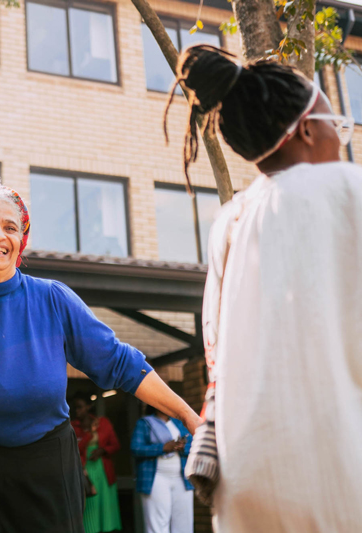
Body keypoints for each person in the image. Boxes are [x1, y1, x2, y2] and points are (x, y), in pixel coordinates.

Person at [0, 184, 199, 532]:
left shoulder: (53, 298)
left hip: (47, 468)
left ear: (20, 241)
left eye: (10, 227)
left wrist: (189, 417)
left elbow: (120, 362)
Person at [169, 45, 362, 532]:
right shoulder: (348, 189)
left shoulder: (228, 223)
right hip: (341, 478)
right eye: (336, 124)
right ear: (306, 128)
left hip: (250, 485)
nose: (340, 142)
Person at [131, 404, 193, 533]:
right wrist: (162, 448)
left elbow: (194, 445)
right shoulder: (145, 423)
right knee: (158, 525)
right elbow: (136, 448)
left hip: (182, 479)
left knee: (184, 524)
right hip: (156, 478)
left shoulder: (179, 423)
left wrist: (182, 446)